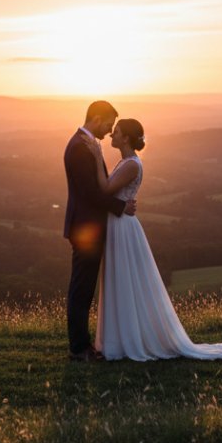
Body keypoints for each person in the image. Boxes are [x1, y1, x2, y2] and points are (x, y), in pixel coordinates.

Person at [84, 118, 222, 362]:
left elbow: (105, 189)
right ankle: (119, 339)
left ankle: (128, 340)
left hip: (122, 228)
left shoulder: (131, 165)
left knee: (124, 277)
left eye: (117, 132)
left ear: (126, 138)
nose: (111, 135)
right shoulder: (125, 161)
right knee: (119, 279)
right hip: (118, 224)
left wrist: (95, 155)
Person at [62, 100, 136, 362]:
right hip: (85, 229)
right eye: (108, 124)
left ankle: (82, 345)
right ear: (96, 118)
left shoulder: (85, 145)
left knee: (84, 287)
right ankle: (79, 348)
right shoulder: (80, 148)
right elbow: (91, 193)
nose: (110, 130)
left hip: (87, 227)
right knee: (81, 289)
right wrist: (121, 206)